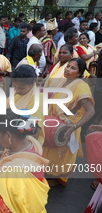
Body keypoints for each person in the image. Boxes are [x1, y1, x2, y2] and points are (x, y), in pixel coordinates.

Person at [43, 58, 95, 186]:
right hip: (55, 123)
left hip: (68, 125)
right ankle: (48, 174)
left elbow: (90, 111)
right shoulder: (63, 82)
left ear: (79, 73)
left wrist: (74, 126)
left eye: (73, 68)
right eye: (68, 66)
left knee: (63, 154)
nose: (68, 69)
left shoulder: (81, 86)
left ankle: (60, 179)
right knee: (50, 150)